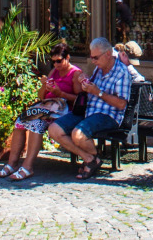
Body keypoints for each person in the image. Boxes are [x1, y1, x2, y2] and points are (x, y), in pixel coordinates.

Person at [0, 41, 85, 182]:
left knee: (36, 124)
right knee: (20, 121)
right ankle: (12, 163)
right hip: (48, 107)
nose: (56, 64)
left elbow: (79, 100)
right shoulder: (54, 72)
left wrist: (60, 93)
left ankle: (28, 166)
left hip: (65, 110)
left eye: (59, 61)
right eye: (53, 61)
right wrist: (45, 86)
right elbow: (41, 96)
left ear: (67, 57)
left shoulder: (75, 74)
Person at [47, 37, 132, 180]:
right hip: (87, 111)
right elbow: (89, 90)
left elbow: (122, 104)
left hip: (108, 115)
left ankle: (91, 160)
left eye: (95, 57)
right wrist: (84, 82)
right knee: (54, 130)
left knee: (78, 134)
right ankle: (91, 159)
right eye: (91, 57)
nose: (93, 61)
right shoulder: (99, 69)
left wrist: (98, 92)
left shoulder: (121, 73)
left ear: (107, 54)